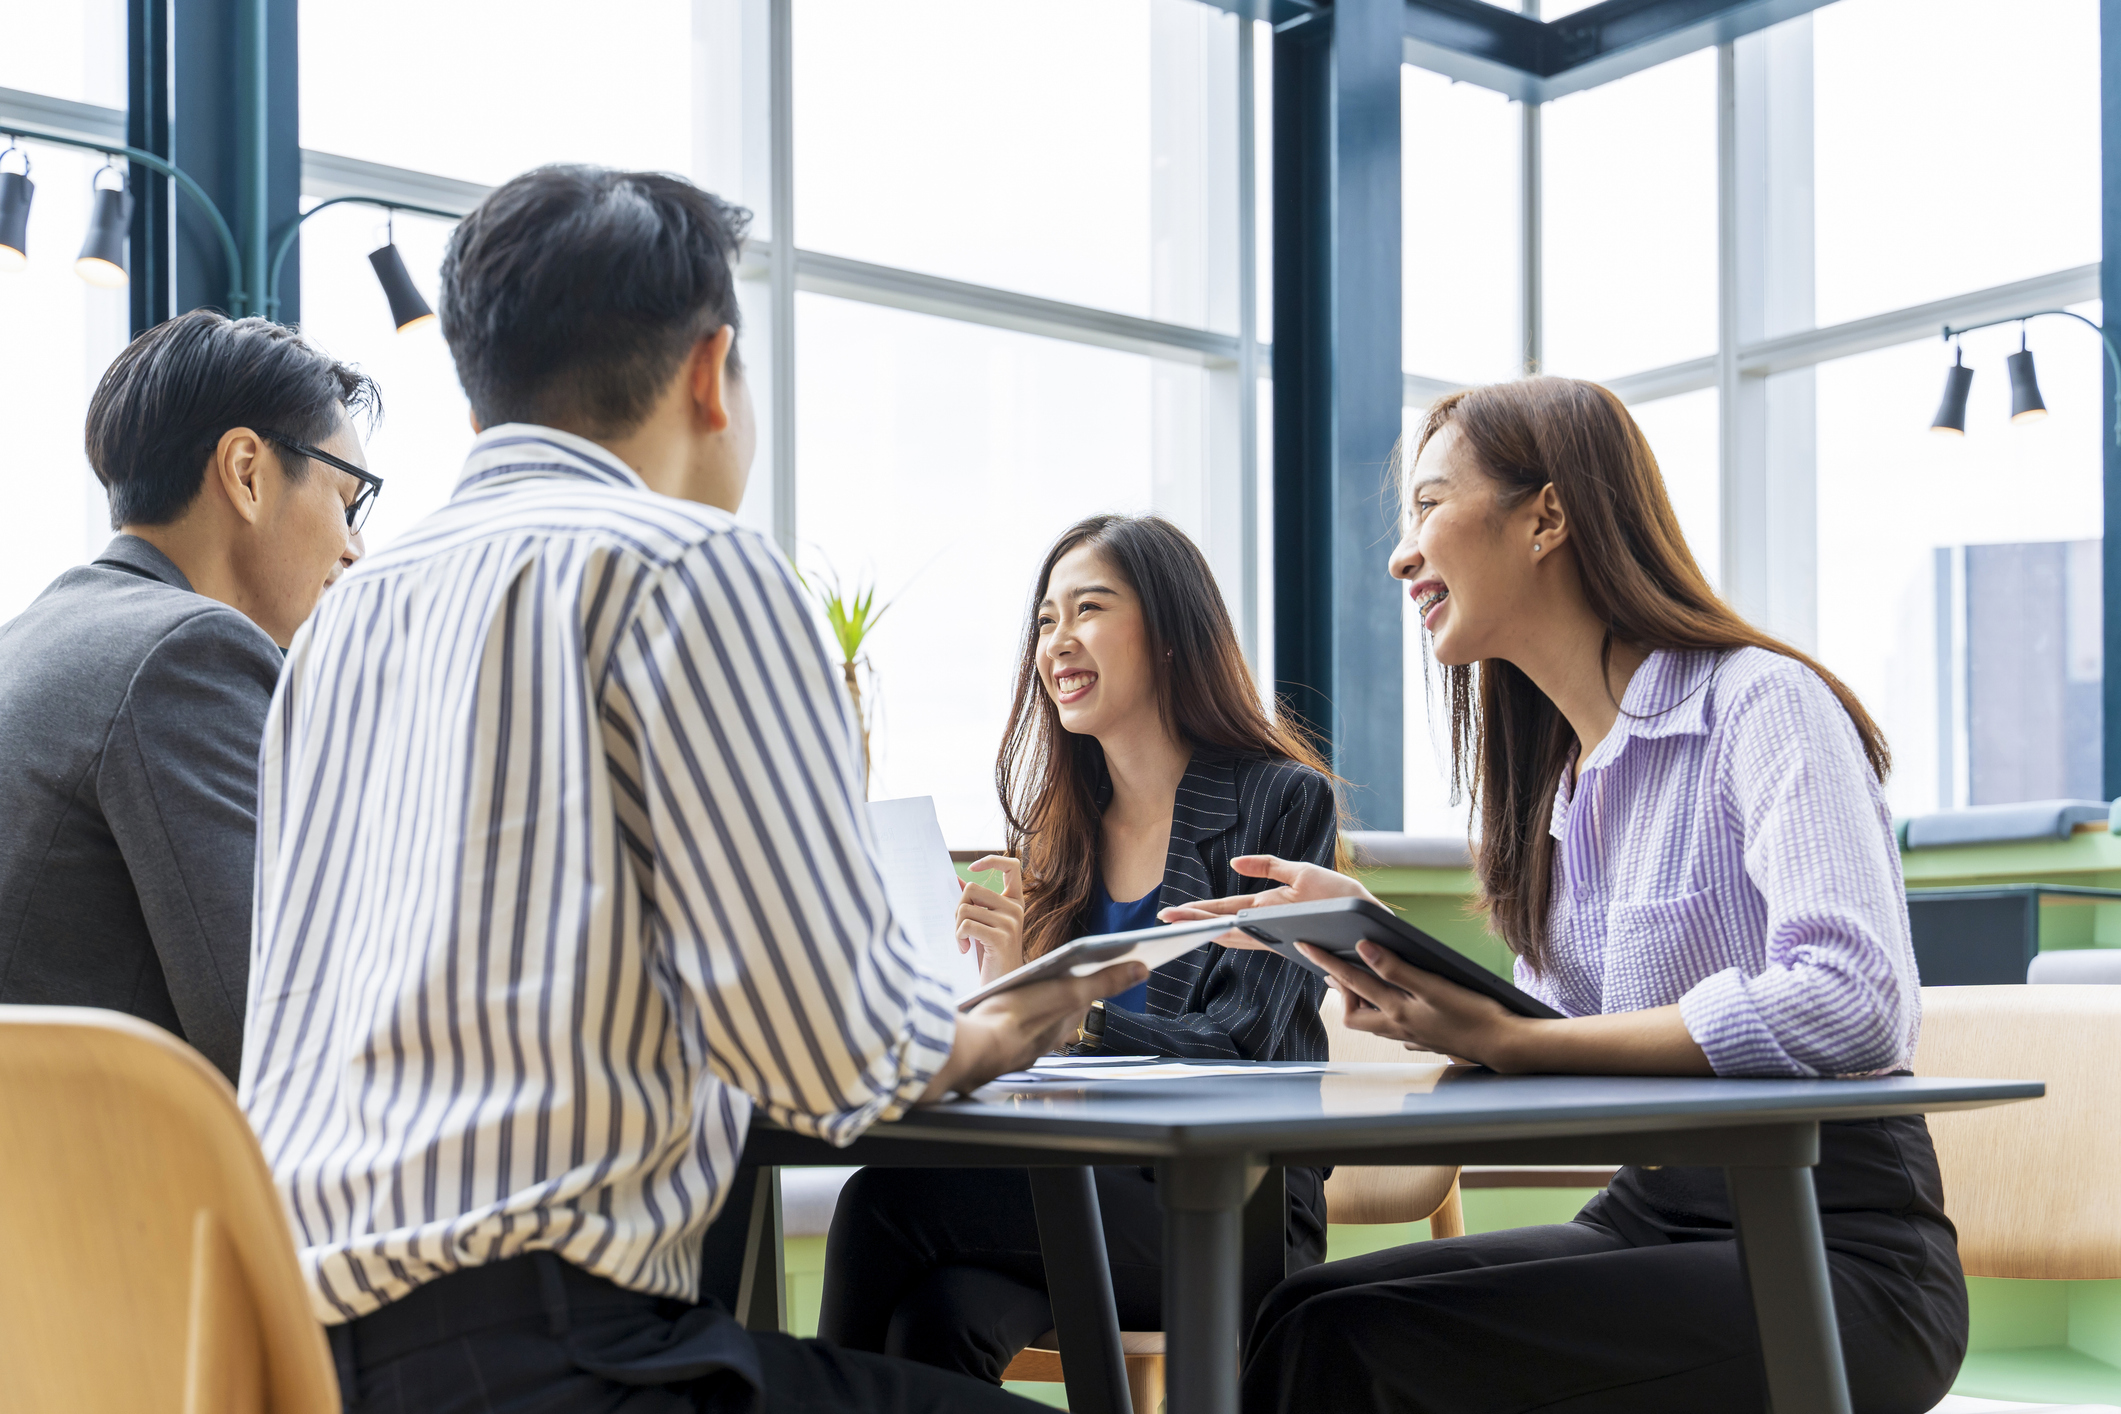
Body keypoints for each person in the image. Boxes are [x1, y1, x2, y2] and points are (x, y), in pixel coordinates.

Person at [239, 165, 1141, 1414]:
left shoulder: (350, 616)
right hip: (554, 1357)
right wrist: (1001, 1025)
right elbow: (834, 1057)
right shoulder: (686, 565)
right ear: (712, 372)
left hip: (298, 1349)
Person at [1160, 376, 1960, 1414]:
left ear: (1546, 516)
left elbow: (1853, 998)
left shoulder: (1762, 704)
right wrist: (1393, 967)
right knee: (1298, 1312)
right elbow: (1573, 1041)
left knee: (1348, 1341)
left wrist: (1523, 1040)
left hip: (1839, 1247)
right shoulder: (1566, 786)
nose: (1403, 553)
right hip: (1654, 1211)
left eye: (1430, 503)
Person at [819, 513, 1342, 1382]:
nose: (1057, 639)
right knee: (935, 1320)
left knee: (883, 1201)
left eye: (1087, 609)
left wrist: (1064, 1017)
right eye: (1044, 620)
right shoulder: (1055, 832)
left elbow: (1249, 1050)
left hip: (1227, 1210)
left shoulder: (1279, 802)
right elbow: (1038, 1070)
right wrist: (998, 996)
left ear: (1171, 634)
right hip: (1068, 1186)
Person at [0, 310, 375, 1082]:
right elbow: (281, 1038)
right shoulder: (186, 653)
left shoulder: (35, 633)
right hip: (130, 1188)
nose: (353, 545)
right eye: (347, 497)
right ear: (246, 471)